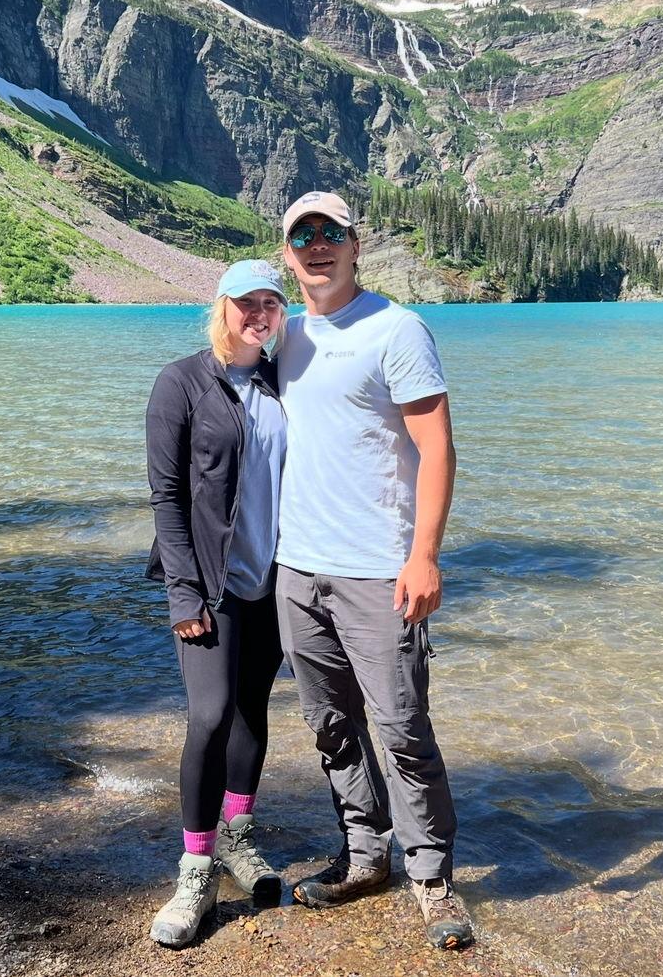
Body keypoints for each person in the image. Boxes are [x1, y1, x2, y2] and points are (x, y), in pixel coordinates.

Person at [273, 191, 474, 950]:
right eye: (303, 236)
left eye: (331, 233)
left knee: (403, 730)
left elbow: (437, 448)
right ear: (288, 255)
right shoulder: (285, 335)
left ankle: (432, 879)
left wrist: (423, 554)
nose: (317, 246)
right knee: (329, 727)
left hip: (377, 572)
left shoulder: (397, 329)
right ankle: (365, 858)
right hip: (298, 570)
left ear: (357, 246)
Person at [144, 259, 289, 948]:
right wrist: (183, 592)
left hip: (274, 580)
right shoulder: (182, 382)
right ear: (221, 307)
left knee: (252, 710)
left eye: (271, 303)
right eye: (246, 303)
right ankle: (196, 867)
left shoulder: (282, 379)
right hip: (211, 583)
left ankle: (237, 832)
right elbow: (166, 499)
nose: (258, 314)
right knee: (209, 714)